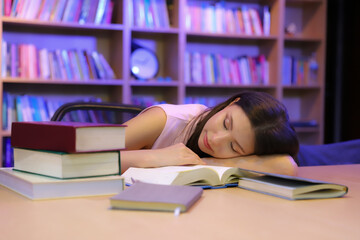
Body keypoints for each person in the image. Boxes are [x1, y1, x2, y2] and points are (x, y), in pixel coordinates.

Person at [121, 91, 299, 175]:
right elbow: (93, 158)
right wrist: (155, 158)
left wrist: (207, 163)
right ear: (232, 103)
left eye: (233, 147)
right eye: (225, 123)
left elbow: (287, 166)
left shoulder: (219, 156)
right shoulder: (166, 120)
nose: (215, 140)